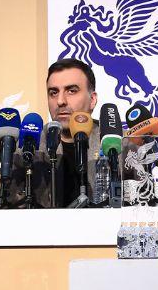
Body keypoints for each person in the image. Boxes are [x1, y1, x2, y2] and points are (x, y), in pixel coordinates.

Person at [23, 58, 101, 207]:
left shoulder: (116, 143)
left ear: (92, 100)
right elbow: (7, 210)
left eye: (71, 91)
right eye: (53, 93)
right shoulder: (29, 146)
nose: (60, 101)